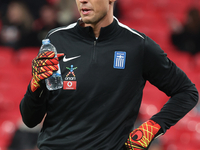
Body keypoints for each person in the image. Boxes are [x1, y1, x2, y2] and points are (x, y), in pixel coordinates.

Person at [20, 0, 199, 149]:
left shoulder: (137, 45)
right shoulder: (56, 40)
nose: (82, 1)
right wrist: (35, 85)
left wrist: (152, 127)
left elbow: (186, 92)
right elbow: (30, 119)